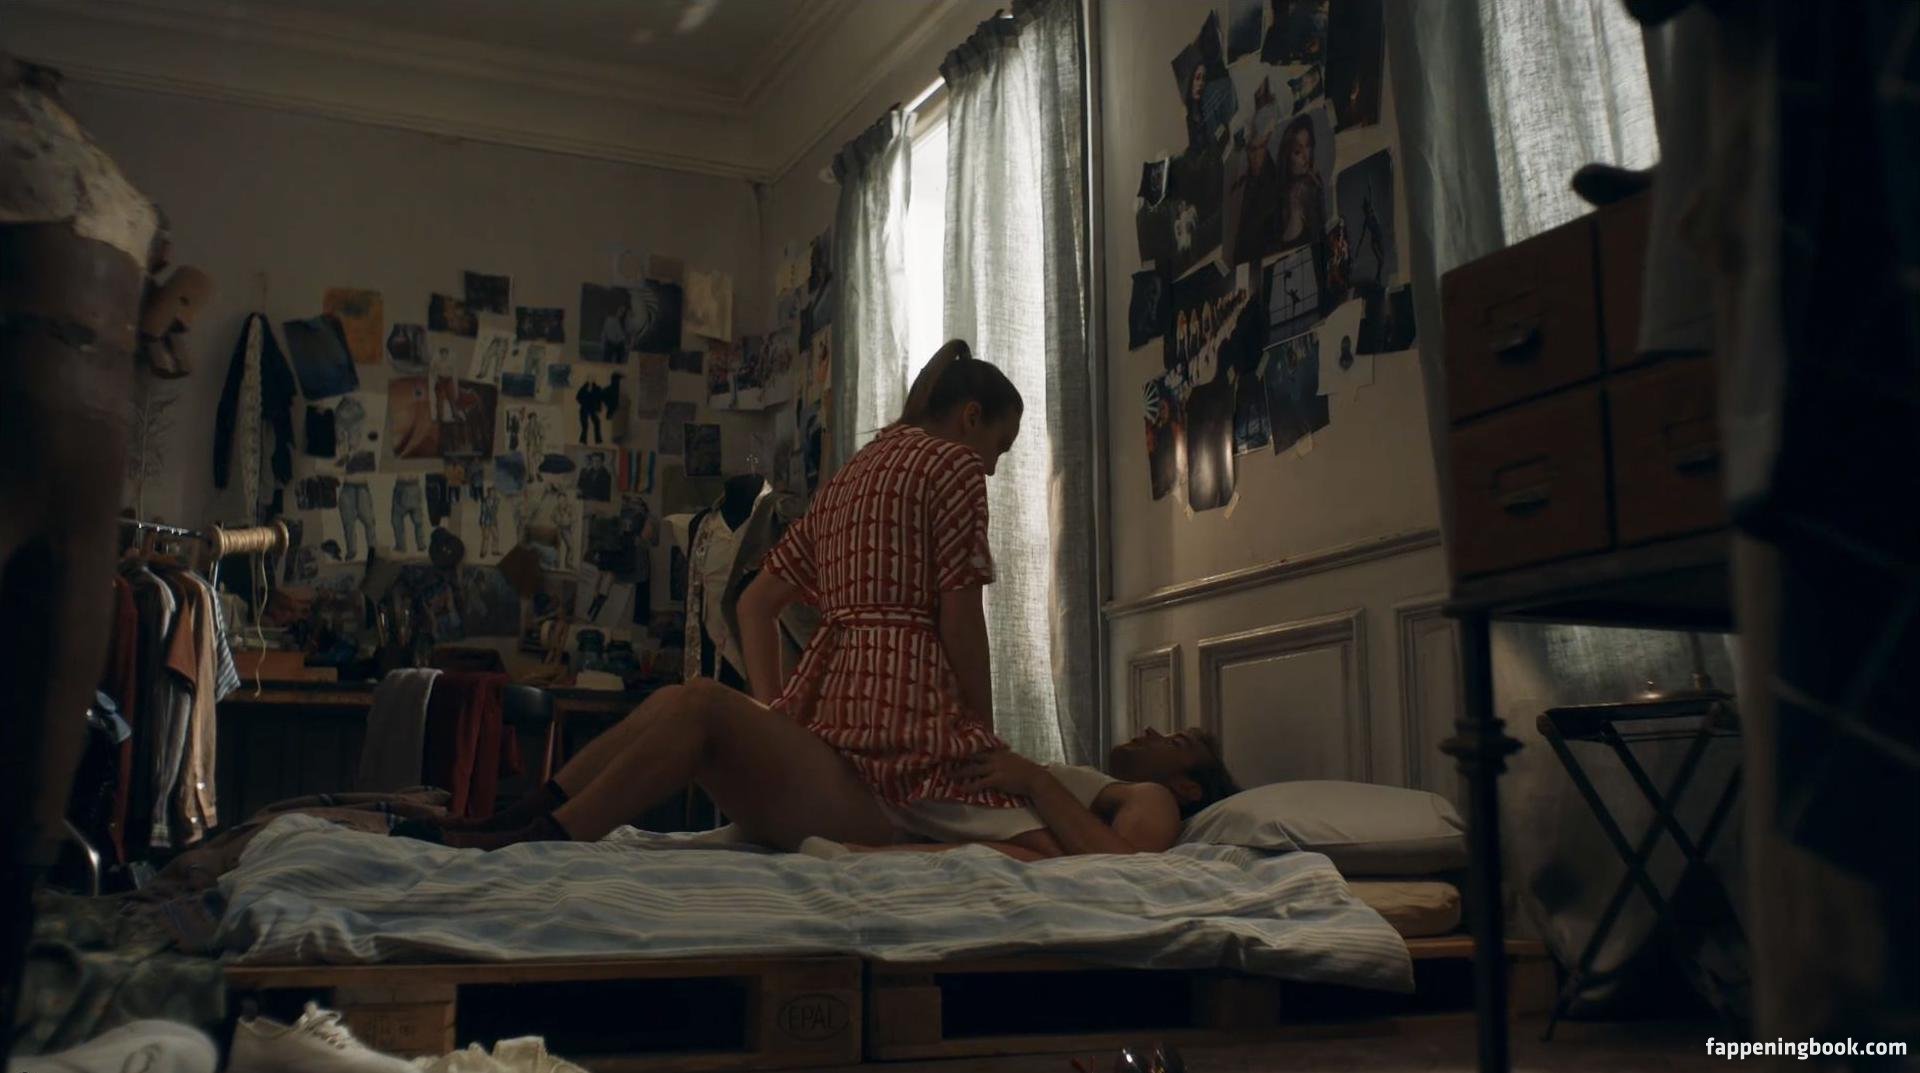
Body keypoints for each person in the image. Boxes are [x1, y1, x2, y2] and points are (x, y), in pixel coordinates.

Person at [396, 341, 1217, 859]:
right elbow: (959, 617)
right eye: (998, 447)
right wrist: (981, 735)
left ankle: (526, 826)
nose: (994, 466)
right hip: (895, 764)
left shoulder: (854, 473)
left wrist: (780, 703)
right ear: (970, 418)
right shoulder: (951, 467)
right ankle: (532, 834)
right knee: (695, 703)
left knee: (699, 703)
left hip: (849, 751)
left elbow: (755, 602)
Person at [1277, 113, 1324, 251]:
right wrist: (1295, 211)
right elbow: (1288, 246)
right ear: (1287, 157)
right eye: (1297, 152)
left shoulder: (1315, 182)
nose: (1306, 156)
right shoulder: (1286, 198)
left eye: (1308, 146)